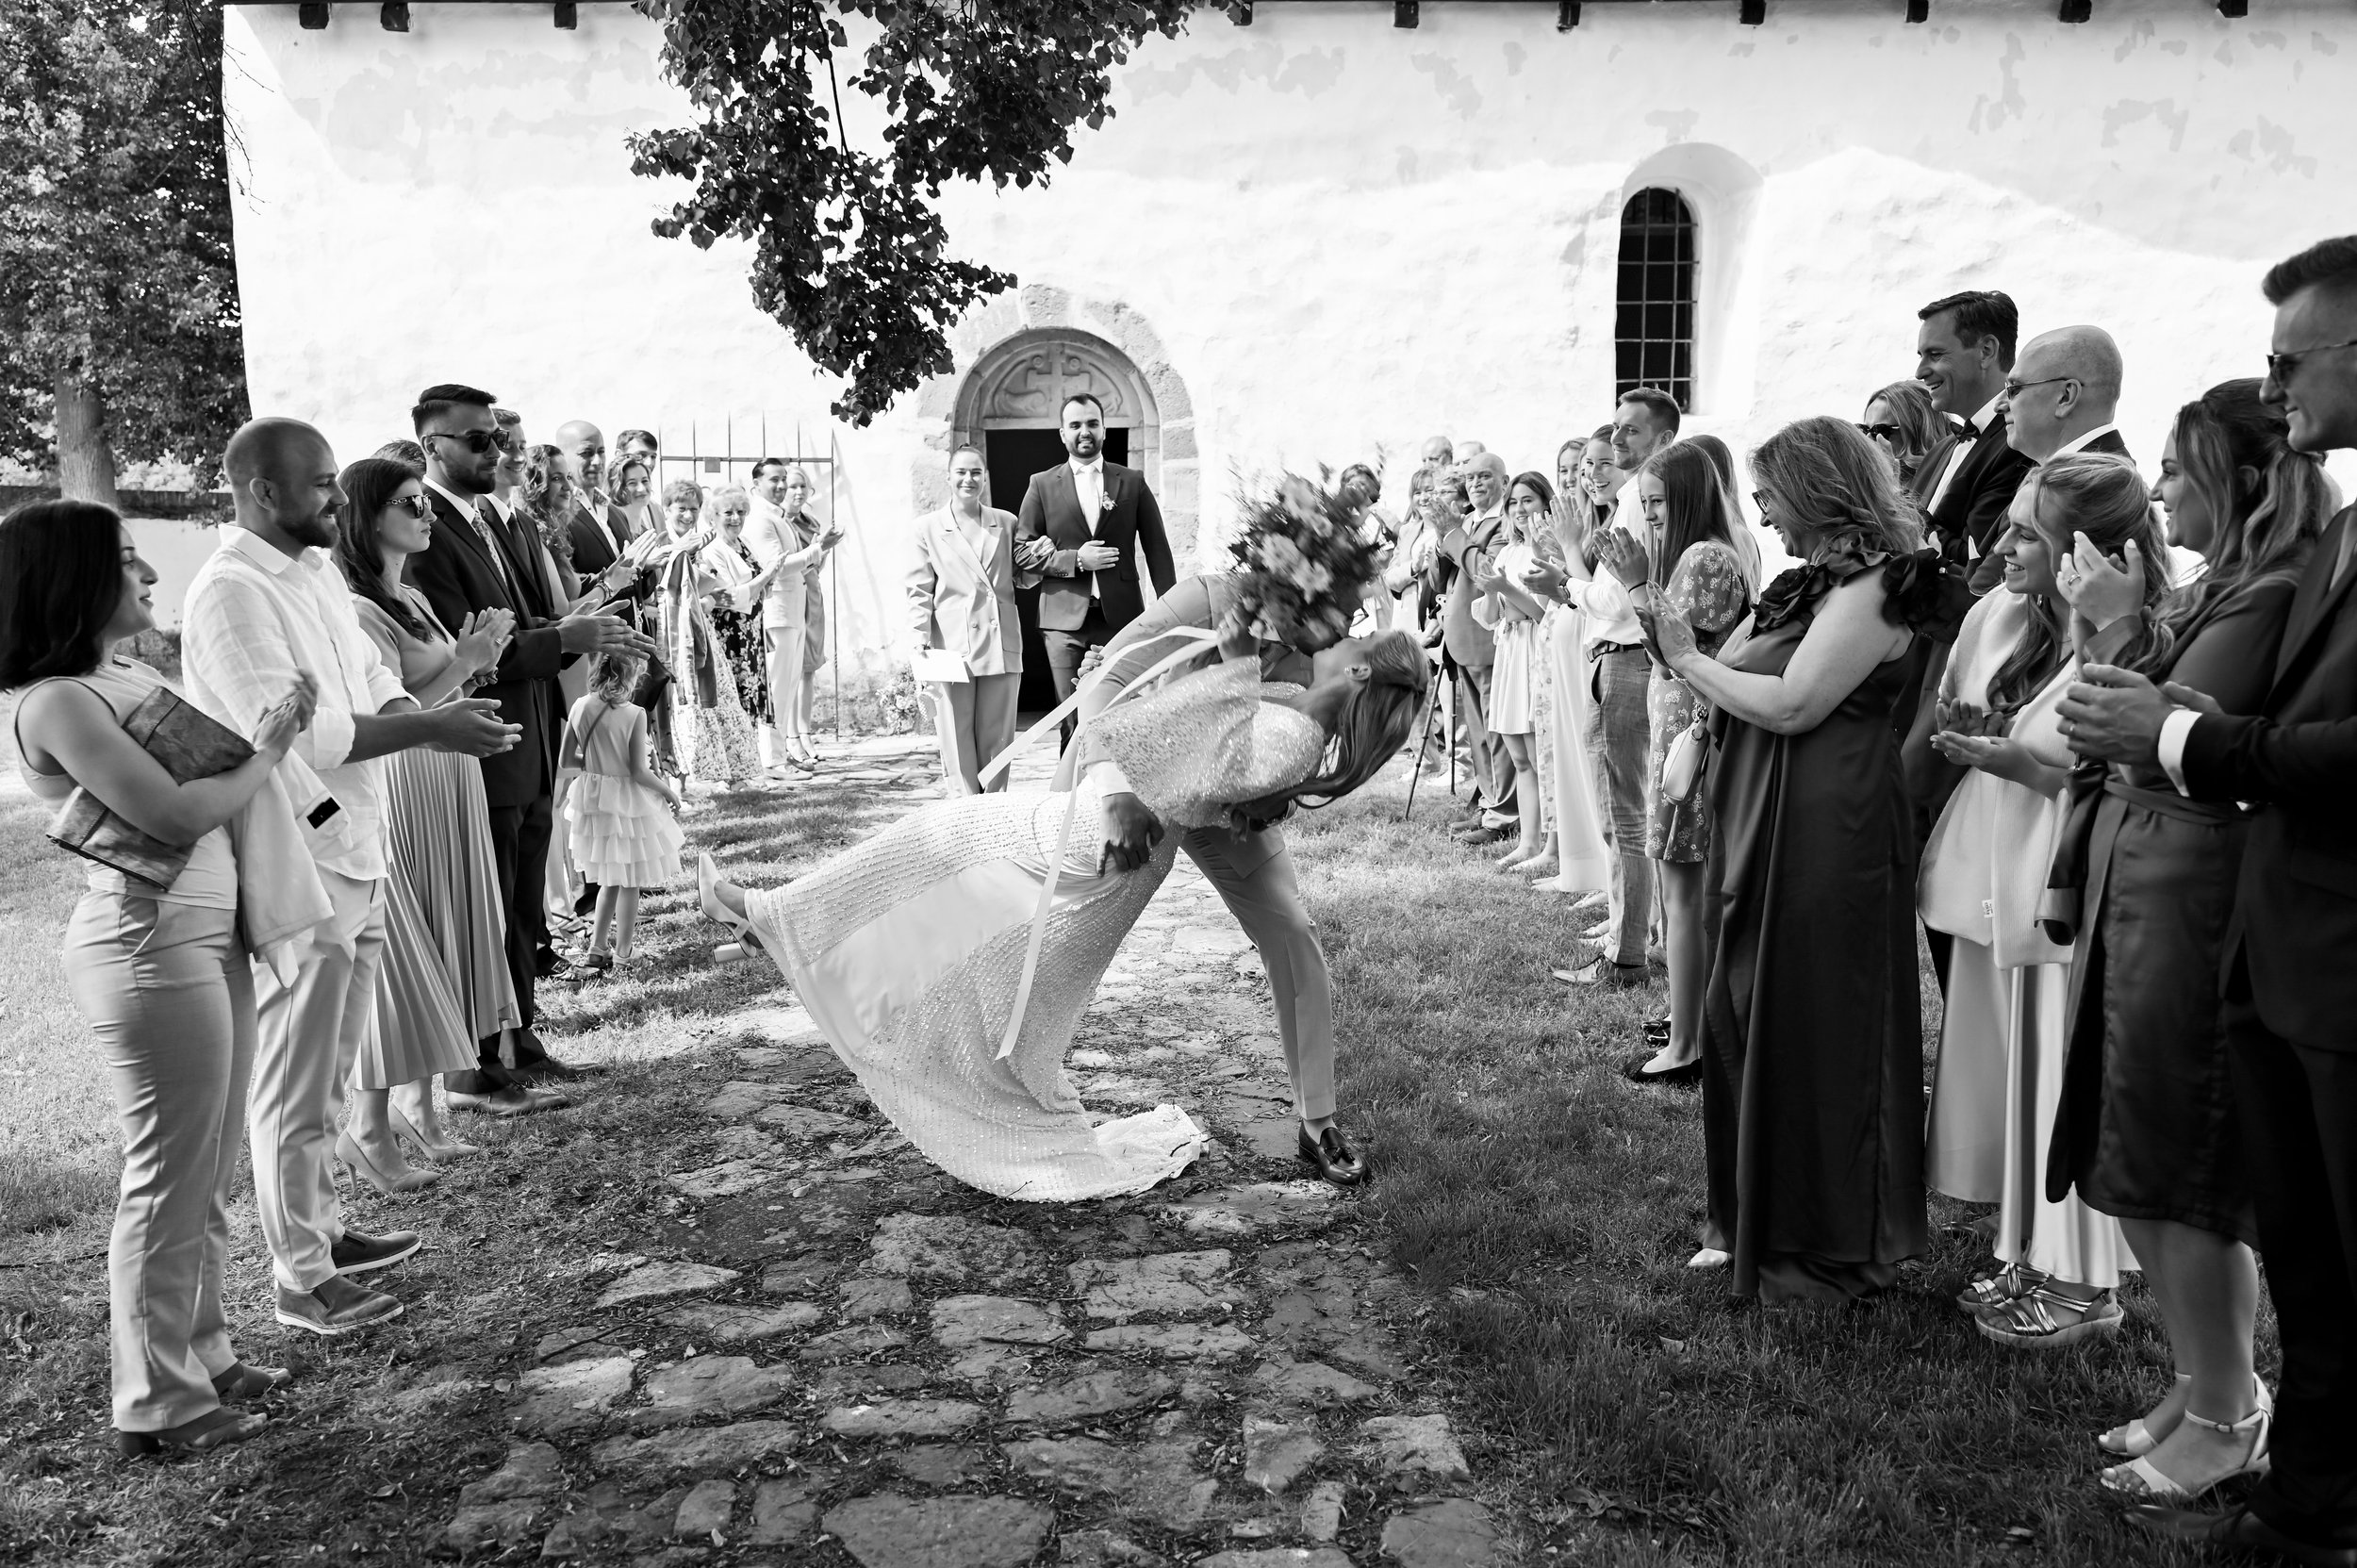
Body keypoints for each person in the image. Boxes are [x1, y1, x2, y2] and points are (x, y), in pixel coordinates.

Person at [697, 610, 1426, 1201]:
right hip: (1104, 823)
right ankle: (776, 922)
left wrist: (1231, 669)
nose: (1341, 633)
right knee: (941, 886)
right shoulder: (1266, 661)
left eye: (1356, 639)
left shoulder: (1298, 727)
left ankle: (773, 919)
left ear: (1359, 669)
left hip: (1100, 837)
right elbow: (1139, 702)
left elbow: (1218, 758)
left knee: (931, 857)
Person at [2067, 234, 2357, 1568]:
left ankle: (2251, 1426)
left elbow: (2207, 729)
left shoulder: (2291, 567)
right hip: (2221, 910)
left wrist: (2156, 701)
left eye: (2291, 355)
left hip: (2255, 913)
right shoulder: (2307, 552)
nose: (2277, 379)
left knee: (2203, 1169)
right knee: (2242, 1207)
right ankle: (2252, 1432)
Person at [184, 417, 522, 1336]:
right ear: (261, 491)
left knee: (331, 1070)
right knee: (294, 1080)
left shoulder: (315, 576)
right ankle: (299, 1279)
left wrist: (431, 704)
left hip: (361, 843)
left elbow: (374, 683)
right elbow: (295, 730)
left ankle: (324, 1230)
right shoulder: (230, 592)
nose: (340, 499)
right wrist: (430, 728)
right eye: (322, 485)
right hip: (296, 856)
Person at [5, 500, 321, 1453]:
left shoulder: (121, 672)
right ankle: (156, 1402)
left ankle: (205, 1354)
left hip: (203, 936)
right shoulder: (59, 699)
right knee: (165, 1175)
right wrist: (268, 747)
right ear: (72, 581)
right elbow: (176, 814)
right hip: (146, 948)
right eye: (129, 561)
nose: (147, 575)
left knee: (206, 1168)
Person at [1654, 416, 1959, 1298]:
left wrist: (1685, 661)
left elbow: (1791, 703)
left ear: (1819, 491)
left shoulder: (1874, 592)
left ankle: (1823, 1234)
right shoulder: (1809, 584)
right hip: (1763, 812)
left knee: (1816, 1018)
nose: (1765, 515)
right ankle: (1748, 1212)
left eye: (1772, 497)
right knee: (1739, 1001)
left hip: (1831, 826)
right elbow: (1736, 673)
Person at [1919, 457, 2159, 1349]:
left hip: (2079, 894)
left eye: (2026, 529)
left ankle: (2086, 1280)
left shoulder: (2123, 635)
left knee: (2066, 1078)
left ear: (2081, 545)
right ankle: (2028, 1246)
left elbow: (2119, 768)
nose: (2002, 543)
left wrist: (2013, 760)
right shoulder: (2029, 623)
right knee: (2029, 1074)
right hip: (2017, 879)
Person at [406, 385, 651, 1098]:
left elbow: (526, 620)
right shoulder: (431, 533)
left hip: (532, 731)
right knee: (488, 904)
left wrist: (580, 625)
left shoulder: (492, 521)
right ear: (434, 447)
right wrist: (564, 636)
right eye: (479, 440)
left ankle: (521, 1036)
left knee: (518, 902)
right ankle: (477, 1055)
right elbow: (473, 650)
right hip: (484, 738)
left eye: (498, 438)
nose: (498, 451)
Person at [335, 458, 553, 1131]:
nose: (427, 513)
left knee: (454, 934)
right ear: (370, 516)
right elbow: (397, 713)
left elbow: (449, 690)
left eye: (424, 504)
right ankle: (397, 1113)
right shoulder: (360, 609)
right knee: (423, 939)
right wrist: (466, 661)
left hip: (453, 775)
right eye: (411, 504)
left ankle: (419, 1109)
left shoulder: (416, 599)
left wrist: (480, 658)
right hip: (411, 779)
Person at [1595, 443, 1751, 1081]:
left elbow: (1671, 650)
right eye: (1647, 502)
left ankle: (1688, 1045)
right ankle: (1689, 1021)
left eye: (1660, 502)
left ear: (1688, 498)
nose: (1651, 514)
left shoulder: (1708, 556)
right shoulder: (1694, 554)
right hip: (1680, 730)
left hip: (1692, 733)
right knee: (1679, 891)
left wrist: (1636, 582)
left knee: (1684, 894)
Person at [1017, 392, 1178, 745]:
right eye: (1075, 425)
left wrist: (1171, 615)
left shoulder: (1131, 482)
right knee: (1071, 718)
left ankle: (1114, 795)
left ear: (1104, 429)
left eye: (1092, 423)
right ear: (1062, 433)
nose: (1084, 431)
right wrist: (1075, 560)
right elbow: (1022, 554)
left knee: (1119, 712)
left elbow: (1158, 553)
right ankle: (1068, 797)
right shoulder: (1041, 484)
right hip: (1062, 623)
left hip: (1120, 619)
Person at [1527, 431, 1617, 904]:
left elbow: (1591, 592)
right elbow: (1559, 588)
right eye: (1580, 467)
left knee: (1592, 762)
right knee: (1569, 752)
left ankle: (1605, 873)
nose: (1583, 475)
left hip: (1592, 644)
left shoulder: (1605, 520)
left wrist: (1564, 551)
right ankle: (1578, 864)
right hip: (1567, 639)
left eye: (1591, 465)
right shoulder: (1583, 516)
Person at [908, 444, 1027, 795]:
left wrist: (1042, 558)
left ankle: (993, 808)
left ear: (986, 478)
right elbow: (918, 589)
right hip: (952, 643)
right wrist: (917, 639)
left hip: (1000, 640)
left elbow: (1022, 576)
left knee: (999, 735)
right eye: (961, 472)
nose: (968, 479)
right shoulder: (927, 528)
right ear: (948, 477)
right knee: (956, 733)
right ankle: (963, 809)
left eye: (976, 472)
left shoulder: (1006, 522)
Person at [560, 652, 684, 971]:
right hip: (625, 802)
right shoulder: (634, 714)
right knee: (629, 880)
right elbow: (637, 772)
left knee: (608, 879)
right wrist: (668, 790)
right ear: (630, 678)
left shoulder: (579, 706)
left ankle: (597, 948)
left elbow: (566, 762)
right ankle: (624, 952)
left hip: (592, 797)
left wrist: (596, 767)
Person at [1913, 290, 2038, 586]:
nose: (1920, 372)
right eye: (1921, 356)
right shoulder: (1941, 449)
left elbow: (1977, 561)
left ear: (1986, 351)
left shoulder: (2019, 445)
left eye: (1935, 354)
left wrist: (1915, 526)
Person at [646, 479, 763, 789]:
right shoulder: (661, 542)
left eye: (693, 509)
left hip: (699, 626)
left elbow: (712, 590)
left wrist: (707, 596)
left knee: (714, 695)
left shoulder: (700, 544)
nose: (687, 515)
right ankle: (676, 780)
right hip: (670, 630)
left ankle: (723, 772)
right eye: (681, 509)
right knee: (676, 699)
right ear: (667, 509)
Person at [1470, 471, 1560, 867]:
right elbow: (1490, 617)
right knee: (1520, 756)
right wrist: (1492, 590)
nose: (1521, 509)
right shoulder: (1508, 552)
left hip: (1537, 652)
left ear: (1545, 503)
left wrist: (1506, 590)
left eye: (1528, 500)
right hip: (1509, 650)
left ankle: (1553, 844)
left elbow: (1545, 614)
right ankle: (1527, 841)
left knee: (1544, 755)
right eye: (1514, 503)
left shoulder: (1551, 551)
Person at [741, 459, 842, 770]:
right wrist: (817, 548)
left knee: (787, 685)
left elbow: (800, 565)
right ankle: (771, 760)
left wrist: (817, 553)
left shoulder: (777, 516)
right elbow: (776, 565)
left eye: (784, 478)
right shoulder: (760, 518)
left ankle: (780, 753)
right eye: (775, 479)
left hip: (794, 608)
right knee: (776, 687)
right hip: (777, 611)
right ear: (756, 483)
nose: (782, 485)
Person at [1438, 453, 1516, 844]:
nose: (1476, 484)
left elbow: (1486, 571)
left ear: (1504, 480)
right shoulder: (1468, 520)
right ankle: (1488, 802)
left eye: (1485, 476)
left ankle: (1504, 813)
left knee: (1496, 730)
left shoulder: (1505, 521)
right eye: (1470, 478)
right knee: (1478, 733)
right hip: (1462, 640)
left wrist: (1453, 535)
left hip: (1487, 639)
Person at [700, 484, 780, 733]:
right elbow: (729, 596)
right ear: (713, 517)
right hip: (730, 636)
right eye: (728, 513)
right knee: (734, 702)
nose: (736, 518)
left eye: (741, 512)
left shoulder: (742, 543)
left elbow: (757, 586)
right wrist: (766, 576)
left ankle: (751, 761)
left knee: (752, 698)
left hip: (751, 634)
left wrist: (767, 581)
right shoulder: (712, 549)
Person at [1860, 379, 1952, 489]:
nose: (1868, 439)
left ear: (1920, 432)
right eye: (1864, 430)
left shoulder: (1946, 483)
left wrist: (1891, 487)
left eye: (1880, 430)